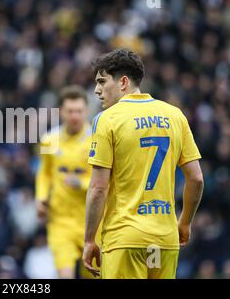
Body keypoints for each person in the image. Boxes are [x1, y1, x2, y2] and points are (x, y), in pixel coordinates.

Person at [82, 49, 204, 279]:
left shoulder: (107, 119)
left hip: (125, 241)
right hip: (163, 241)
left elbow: (98, 188)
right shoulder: (175, 115)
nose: (97, 90)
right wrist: (185, 222)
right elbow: (196, 178)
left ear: (123, 82)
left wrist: (89, 239)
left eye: (101, 81)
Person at [36, 85, 100, 279]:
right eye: (70, 111)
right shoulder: (49, 140)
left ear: (86, 112)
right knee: (65, 275)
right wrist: (40, 197)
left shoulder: (97, 141)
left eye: (79, 111)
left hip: (93, 221)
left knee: (95, 275)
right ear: (61, 112)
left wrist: (80, 183)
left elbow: (106, 179)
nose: (74, 116)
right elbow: (44, 173)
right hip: (60, 220)